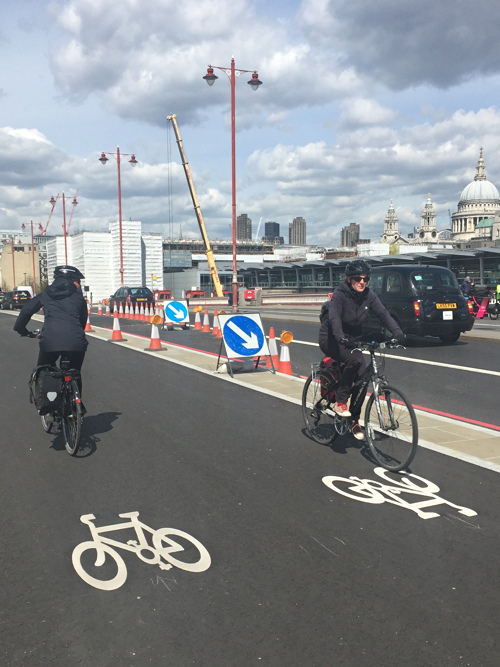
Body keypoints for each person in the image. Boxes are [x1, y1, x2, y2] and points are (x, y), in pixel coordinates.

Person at [318, 259, 404, 441]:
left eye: (366, 279)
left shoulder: (369, 295)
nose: (362, 282)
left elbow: (382, 313)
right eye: (358, 278)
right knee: (355, 360)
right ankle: (341, 403)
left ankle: (354, 420)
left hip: (352, 340)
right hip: (332, 338)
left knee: (362, 380)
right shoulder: (340, 294)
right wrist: (340, 336)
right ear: (349, 279)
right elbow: (333, 317)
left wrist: (397, 332)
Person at [13, 265, 88, 396]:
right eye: (78, 281)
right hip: (75, 341)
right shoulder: (79, 297)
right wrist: (76, 333)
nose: (79, 285)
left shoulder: (47, 293)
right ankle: (76, 405)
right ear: (71, 280)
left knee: (43, 370)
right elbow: (82, 320)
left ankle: (47, 403)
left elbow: (25, 312)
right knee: (75, 372)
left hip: (50, 340)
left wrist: (22, 330)